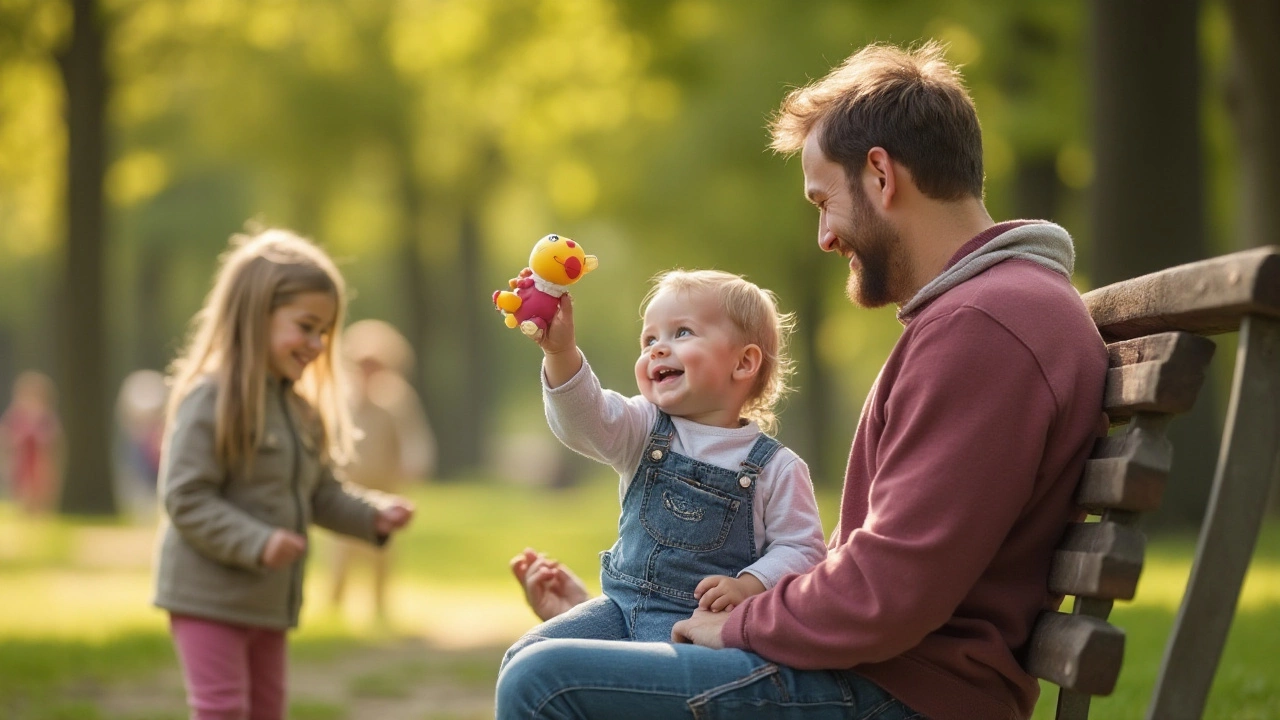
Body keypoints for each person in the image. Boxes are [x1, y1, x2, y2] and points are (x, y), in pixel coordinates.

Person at [496, 40, 1109, 720]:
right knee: (534, 660)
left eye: (824, 201)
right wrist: (642, 625)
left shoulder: (987, 326)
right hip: (882, 670)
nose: (823, 236)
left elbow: (889, 592)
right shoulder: (985, 313)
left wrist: (737, 626)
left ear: (880, 174)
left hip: (901, 692)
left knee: (543, 683)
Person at [501, 269, 828, 669]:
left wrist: (751, 584)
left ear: (743, 362)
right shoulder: (644, 427)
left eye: (682, 333)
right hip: (617, 611)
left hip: (696, 630)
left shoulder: (775, 468)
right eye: (649, 339)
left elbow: (803, 548)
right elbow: (586, 420)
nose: (657, 349)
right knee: (527, 659)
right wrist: (560, 353)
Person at [152, 228, 416, 720]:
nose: (317, 343)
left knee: (267, 710)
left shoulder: (300, 410)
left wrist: (372, 516)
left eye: (325, 332)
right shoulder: (211, 400)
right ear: (256, 313)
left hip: (268, 600)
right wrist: (258, 541)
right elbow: (185, 497)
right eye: (307, 326)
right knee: (223, 710)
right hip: (207, 595)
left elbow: (319, 492)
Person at [328, 318, 436, 622]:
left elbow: (413, 437)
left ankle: (379, 604)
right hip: (349, 483)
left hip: (384, 483)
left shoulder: (396, 397)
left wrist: (414, 464)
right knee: (342, 546)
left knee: (382, 547)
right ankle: (335, 602)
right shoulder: (344, 397)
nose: (368, 371)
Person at [0, 370, 64, 514]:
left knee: (41, 484)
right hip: (22, 458)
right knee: (22, 484)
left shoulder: (45, 416)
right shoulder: (17, 414)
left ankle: (40, 510)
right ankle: (25, 509)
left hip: (40, 459)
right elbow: (6, 433)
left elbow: (53, 437)